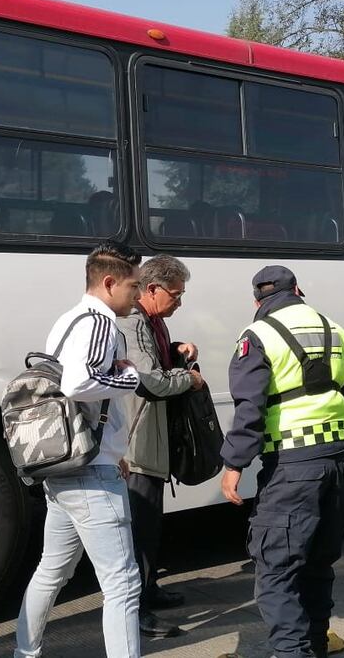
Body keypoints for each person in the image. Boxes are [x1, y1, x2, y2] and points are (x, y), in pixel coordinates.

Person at [220, 266, 344, 658]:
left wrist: (233, 464)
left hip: (290, 467)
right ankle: (314, 647)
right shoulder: (336, 329)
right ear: (298, 290)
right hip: (337, 460)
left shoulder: (258, 335)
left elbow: (250, 407)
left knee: (277, 572)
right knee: (318, 565)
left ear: (257, 301)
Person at [15, 241, 144, 658]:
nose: (138, 295)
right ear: (109, 282)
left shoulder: (67, 320)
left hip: (64, 466)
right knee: (123, 583)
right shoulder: (102, 323)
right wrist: (129, 378)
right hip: (92, 473)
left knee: (51, 572)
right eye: (133, 286)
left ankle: (25, 653)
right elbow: (77, 385)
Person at [116, 254, 203, 639]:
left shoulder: (151, 323)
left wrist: (179, 349)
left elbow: (153, 362)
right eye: (176, 294)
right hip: (136, 445)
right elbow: (150, 380)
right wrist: (190, 379)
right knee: (138, 529)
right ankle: (138, 613)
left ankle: (149, 591)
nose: (179, 302)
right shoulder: (136, 322)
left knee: (148, 527)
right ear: (152, 289)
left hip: (147, 441)